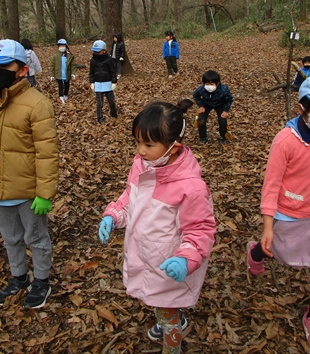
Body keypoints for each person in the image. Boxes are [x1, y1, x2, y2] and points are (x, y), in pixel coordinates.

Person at [98, 100, 216, 353]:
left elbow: (200, 229)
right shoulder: (143, 165)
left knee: (166, 309)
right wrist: (113, 215)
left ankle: (172, 344)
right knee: (159, 299)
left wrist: (186, 259)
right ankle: (170, 316)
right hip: (145, 255)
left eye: (148, 145)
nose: (140, 150)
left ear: (174, 147)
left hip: (169, 262)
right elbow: (130, 198)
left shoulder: (190, 187)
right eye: (138, 142)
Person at [246, 75, 310, 353]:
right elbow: (271, 185)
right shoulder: (285, 141)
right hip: (288, 213)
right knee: (272, 250)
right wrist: (268, 225)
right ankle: (255, 253)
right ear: (301, 108)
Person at [0, 39, 59, 309]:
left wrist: (45, 193)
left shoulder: (37, 104)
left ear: (22, 69)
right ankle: (18, 276)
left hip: (28, 192)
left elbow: (47, 153)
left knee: (36, 238)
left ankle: (41, 280)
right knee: (11, 238)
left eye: (3, 66)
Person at [192, 70, 234, 144]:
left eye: (212, 84)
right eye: (207, 84)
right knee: (201, 120)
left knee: (222, 121)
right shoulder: (201, 89)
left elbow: (229, 100)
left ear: (217, 83)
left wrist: (225, 110)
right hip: (206, 104)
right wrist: (201, 105)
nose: (209, 86)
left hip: (220, 104)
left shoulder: (224, 89)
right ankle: (203, 137)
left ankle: (222, 137)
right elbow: (196, 96)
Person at [89, 40, 118, 124]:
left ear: (104, 50)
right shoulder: (93, 60)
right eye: (95, 51)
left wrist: (114, 82)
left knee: (111, 101)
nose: (96, 53)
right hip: (98, 84)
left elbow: (113, 72)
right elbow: (91, 73)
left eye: (98, 51)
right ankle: (100, 117)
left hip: (108, 83)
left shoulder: (109, 60)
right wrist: (92, 82)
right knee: (99, 103)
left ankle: (113, 113)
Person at [49, 39, 76, 104]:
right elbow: (52, 66)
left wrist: (73, 73)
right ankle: (61, 96)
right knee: (60, 85)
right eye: (60, 46)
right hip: (59, 74)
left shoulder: (70, 56)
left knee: (67, 85)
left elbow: (73, 65)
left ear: (66, 46)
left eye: (63, 46)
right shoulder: (55, 57)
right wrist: (52, 75)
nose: (62, 47)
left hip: (67, 74)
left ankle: (65, 95)